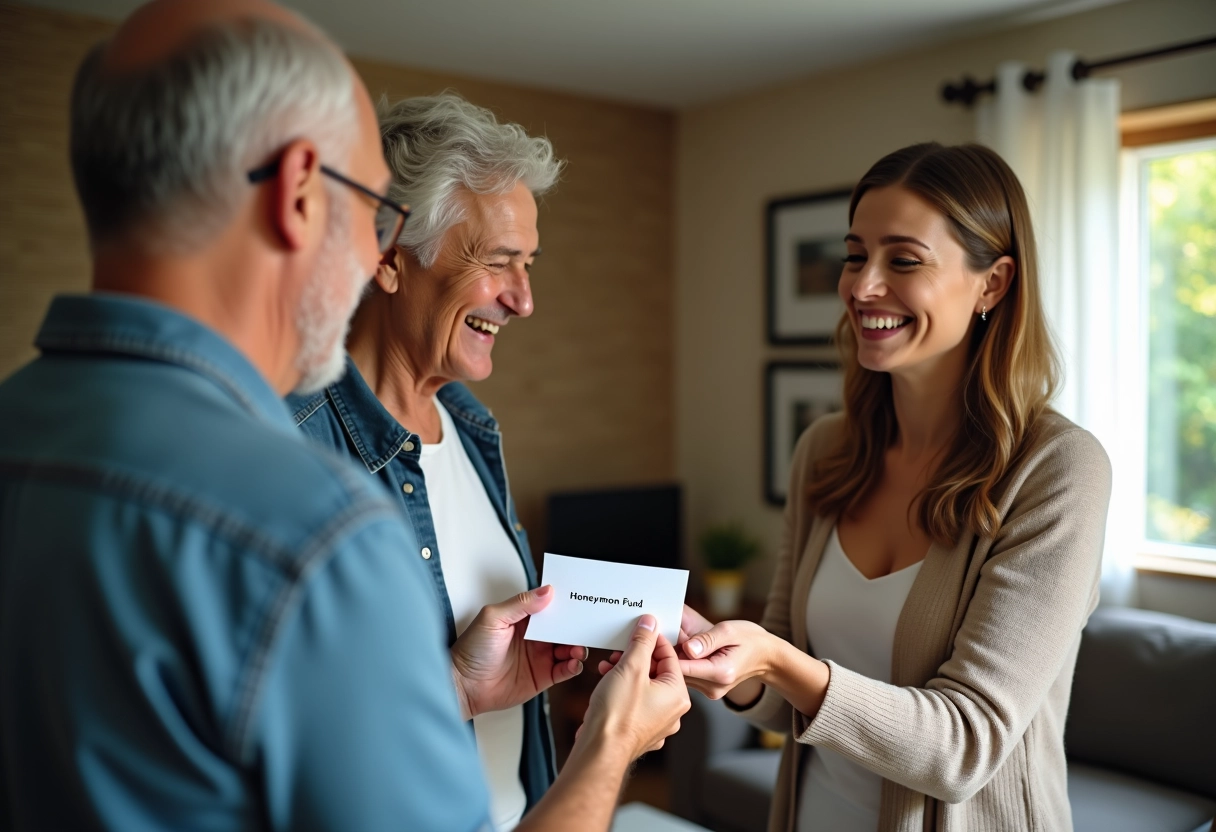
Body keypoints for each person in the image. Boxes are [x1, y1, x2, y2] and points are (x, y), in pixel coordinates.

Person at [0, 2, 688, 830]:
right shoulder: (310, 522)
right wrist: (611, 744)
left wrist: (459, 690)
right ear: (298, 194)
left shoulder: (24, 424)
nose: (365, 249)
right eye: (364, 211)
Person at [615, 143, 1112, 831]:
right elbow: (781, 697)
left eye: (903, 260)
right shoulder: (825, 451)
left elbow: (962, 747)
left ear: (993, 284)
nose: (863, 286)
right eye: (855, 255)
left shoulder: (1058, 471)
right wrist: (715, 648)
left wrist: (778, 660)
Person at [286, 92, 560, 829]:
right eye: (499, 263)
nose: (524, 299)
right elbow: (290, 735)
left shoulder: (472, 430)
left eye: (528, 264)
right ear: (387, 257)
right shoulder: (289, 449)